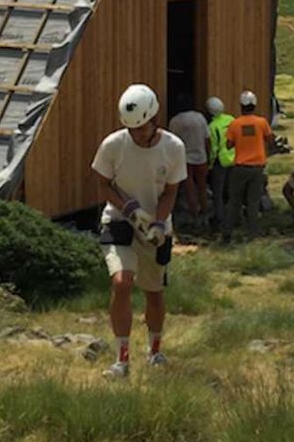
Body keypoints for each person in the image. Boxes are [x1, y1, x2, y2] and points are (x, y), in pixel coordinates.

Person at [92, 83, 186, 379]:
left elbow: (171, 191)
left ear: (153, 119)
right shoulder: (113, 145)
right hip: (119, 221)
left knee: (154, 291)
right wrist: (127, 207)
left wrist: (157, 222)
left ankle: (155, 350)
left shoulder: (173, 148)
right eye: (132, 130)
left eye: (142, 129)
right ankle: (122, 359)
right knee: (122, 281)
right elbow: (102, 181)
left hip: (155, 228)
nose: (137, 135)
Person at [223, 89, 274, 239]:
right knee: (253, 201)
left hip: (240, 167)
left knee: (234, 201)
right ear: (255, 105)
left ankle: (228, 232)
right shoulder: (262, 122)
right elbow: (270, 140)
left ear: (241, 106)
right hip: (258, 167)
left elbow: (229, 145)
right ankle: (253, 233)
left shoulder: (235, 124)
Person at [168, 97, 210, 231]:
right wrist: (208, 155)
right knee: (202, 186)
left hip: (185, 158)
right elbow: (207, 138)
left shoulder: (174, 121)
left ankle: (195, 215)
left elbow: (171, 142)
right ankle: (205, 213)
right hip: (200, 156)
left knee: (189, 187)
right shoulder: (199, 117)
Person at [205, 96, 235, 228]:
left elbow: (213, 148)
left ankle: (220, 219)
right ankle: (234, 216)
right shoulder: (231, 120)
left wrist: (210, 164)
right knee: (231, 191)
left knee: (218, 193)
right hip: (234, 159)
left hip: (220, 162)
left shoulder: (212, 126)